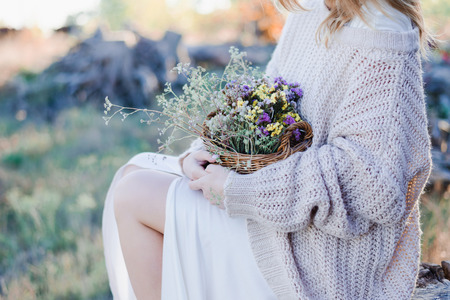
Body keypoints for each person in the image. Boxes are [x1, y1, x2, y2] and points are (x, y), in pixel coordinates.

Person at [102, 0, 434, 298]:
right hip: (282, 207)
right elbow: (263, 103)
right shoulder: (313, 10)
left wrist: (241, 190)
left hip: (323, 253)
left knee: (134, 194)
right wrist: (204, 155)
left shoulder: (382, 29)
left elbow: (371, 184)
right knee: (132, 172)